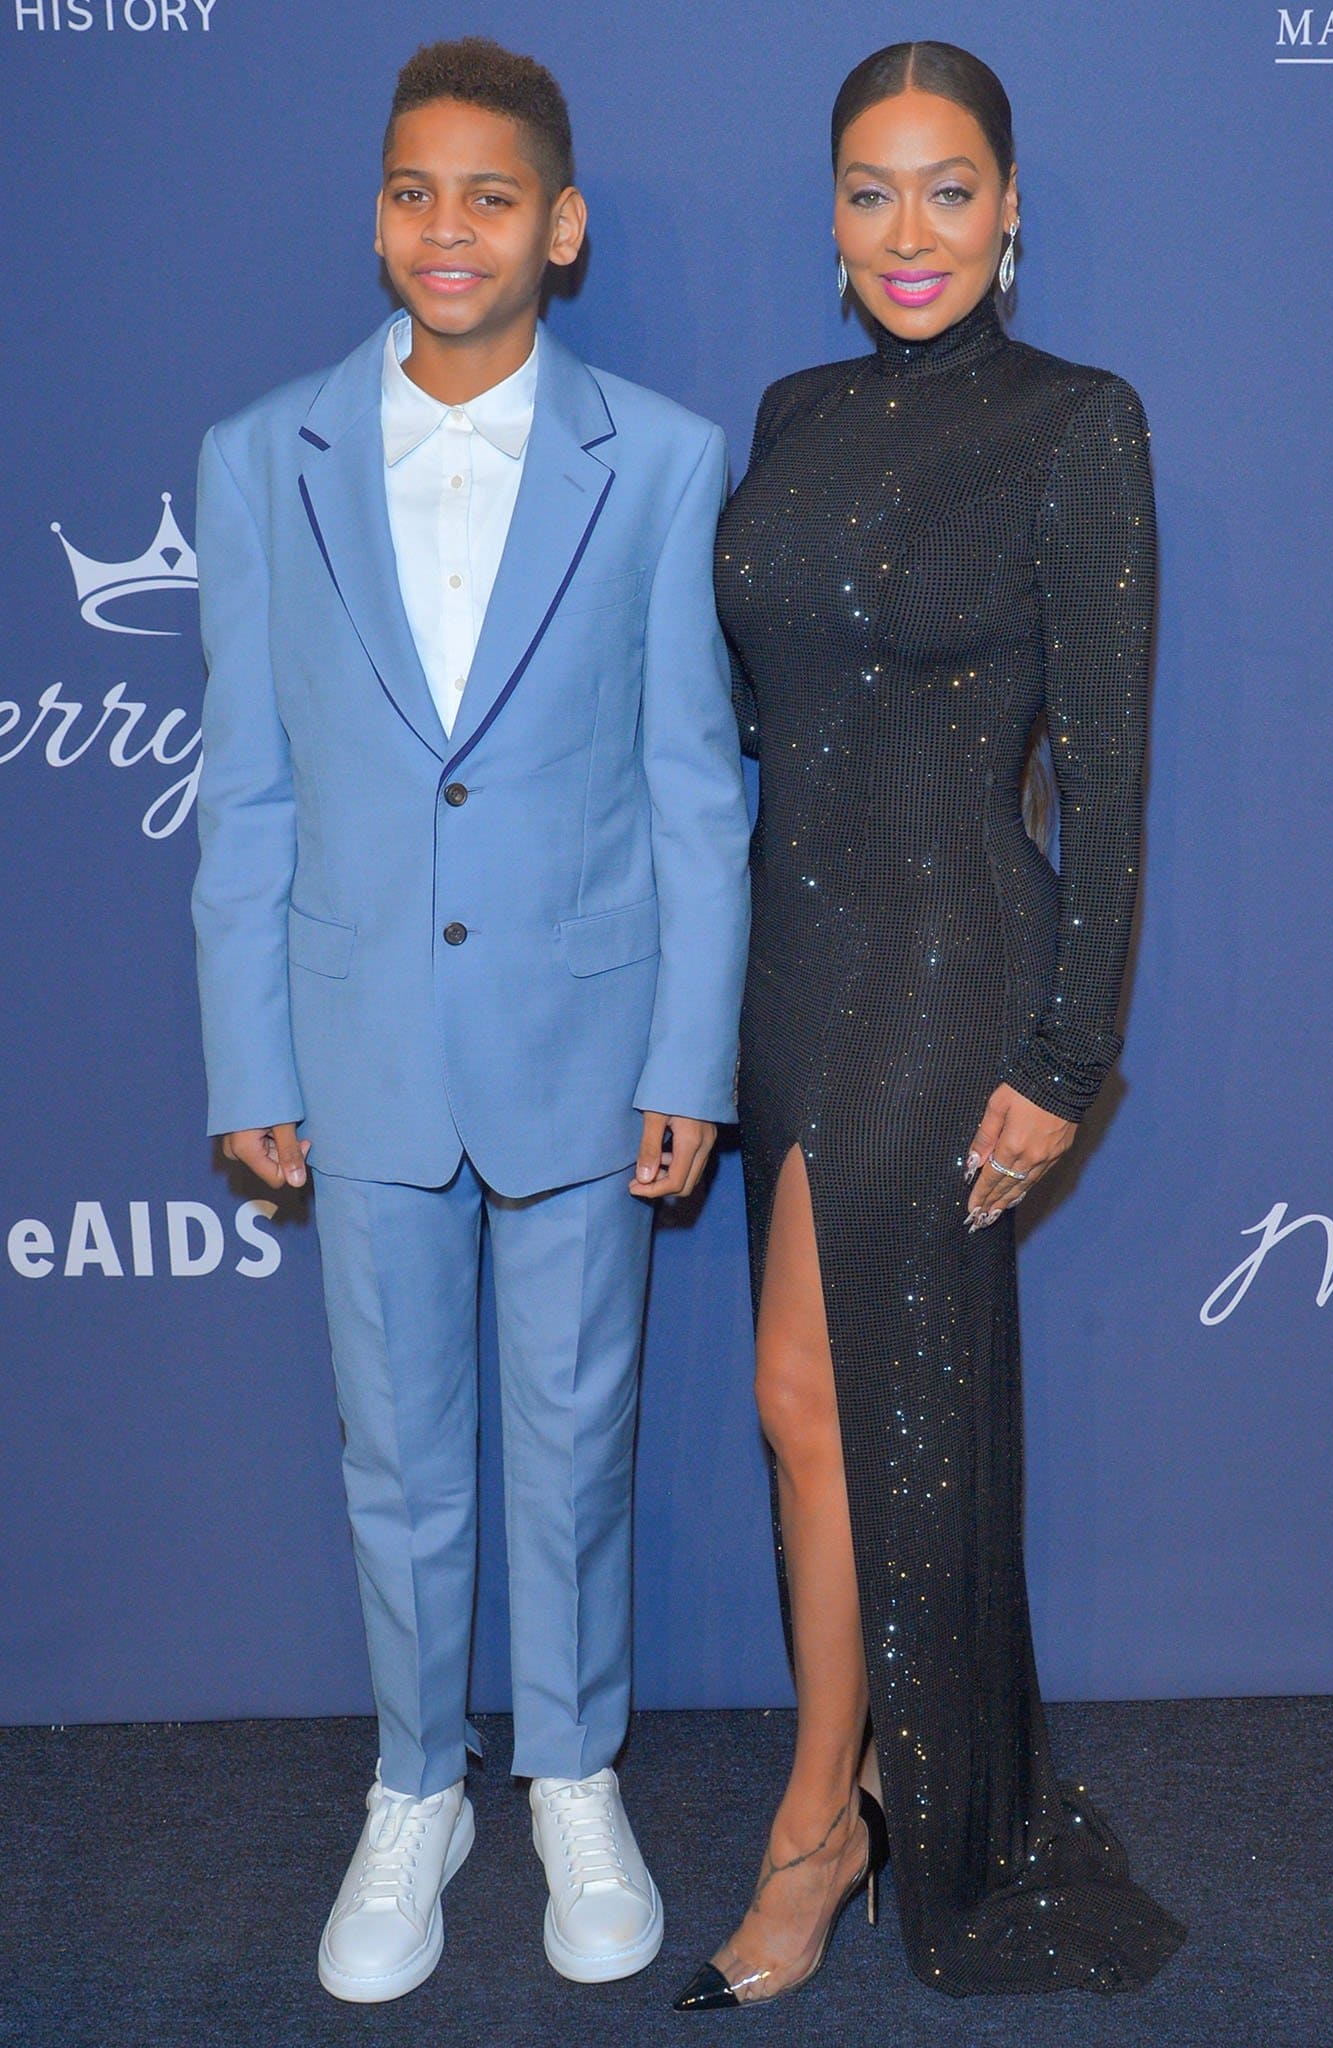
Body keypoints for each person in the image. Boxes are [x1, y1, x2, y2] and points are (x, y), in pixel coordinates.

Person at [191, 36, 749, 2004]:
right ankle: (416, 1782)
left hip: (585, 1046)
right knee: (401, 1448)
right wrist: (250, 1051)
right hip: (355, 1045)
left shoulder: (665, 462)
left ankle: (572, 1771)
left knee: (575, 1425)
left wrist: (689, 1052)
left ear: (561, 226)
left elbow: (695, 781)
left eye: (492, 196)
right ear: (377, 220)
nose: (452, 227)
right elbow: (247, 784)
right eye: (417, 193)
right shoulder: (265, 457)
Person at [675, 40, 1185, 2010]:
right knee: (805, 1404)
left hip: (958, 956)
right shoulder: (794, 411)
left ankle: (823, 1815)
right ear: (829, 217)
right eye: (873, 191)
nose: (912, 231)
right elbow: (753, 707)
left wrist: (1066, 1059)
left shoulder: (1079, 425)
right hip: (792, 969)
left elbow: (1114, 780)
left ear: (1013, 205)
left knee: (832, 1397)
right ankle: (883, 1761)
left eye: (950, 187)